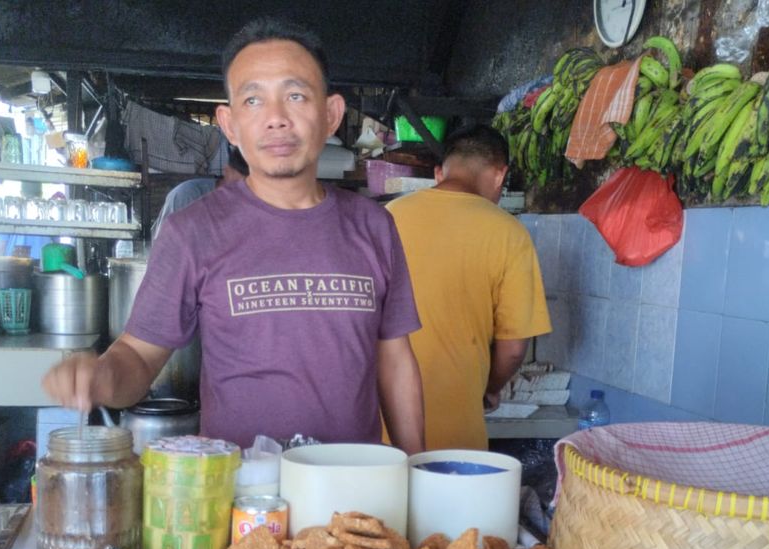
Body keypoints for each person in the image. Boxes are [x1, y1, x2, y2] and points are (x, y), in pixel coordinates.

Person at [42, 17, 425, 454]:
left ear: (330, 114)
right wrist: (101, 376)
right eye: (253, 100)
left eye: (296, 95)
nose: (276, 119)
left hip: (354, 493)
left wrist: (415, 472)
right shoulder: (193, 231)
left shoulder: (374, 225)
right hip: (240, 501)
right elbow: (139, 355)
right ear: (229, 124)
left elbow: (395, 361)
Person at [387, 124, 551, 451]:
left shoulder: (387, 217)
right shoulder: (509, 232)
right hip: (455, 429)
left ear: (438, 173)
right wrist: (491, 388)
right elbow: (514, 347)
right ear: (499, 175)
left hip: (379, 425)